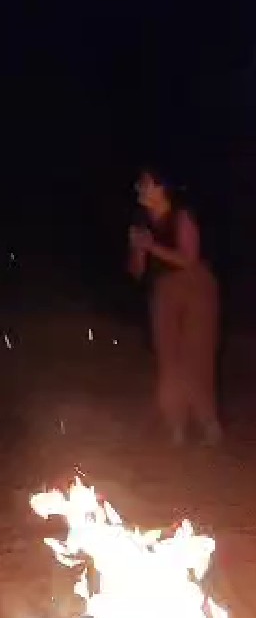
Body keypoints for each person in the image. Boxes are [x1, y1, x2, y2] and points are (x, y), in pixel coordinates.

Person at [128, 166, 221, 446]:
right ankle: (176, 427)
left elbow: (188, 259)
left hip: (195, 286)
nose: (139, 189)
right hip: (165, 290)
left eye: (144, 184)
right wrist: (137, 248)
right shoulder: (142, 222)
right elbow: (136, 271)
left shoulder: (181, 217)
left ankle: (208, 423)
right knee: (168, 357)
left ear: (161, 188)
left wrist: (152, 246)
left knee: (197, 355)